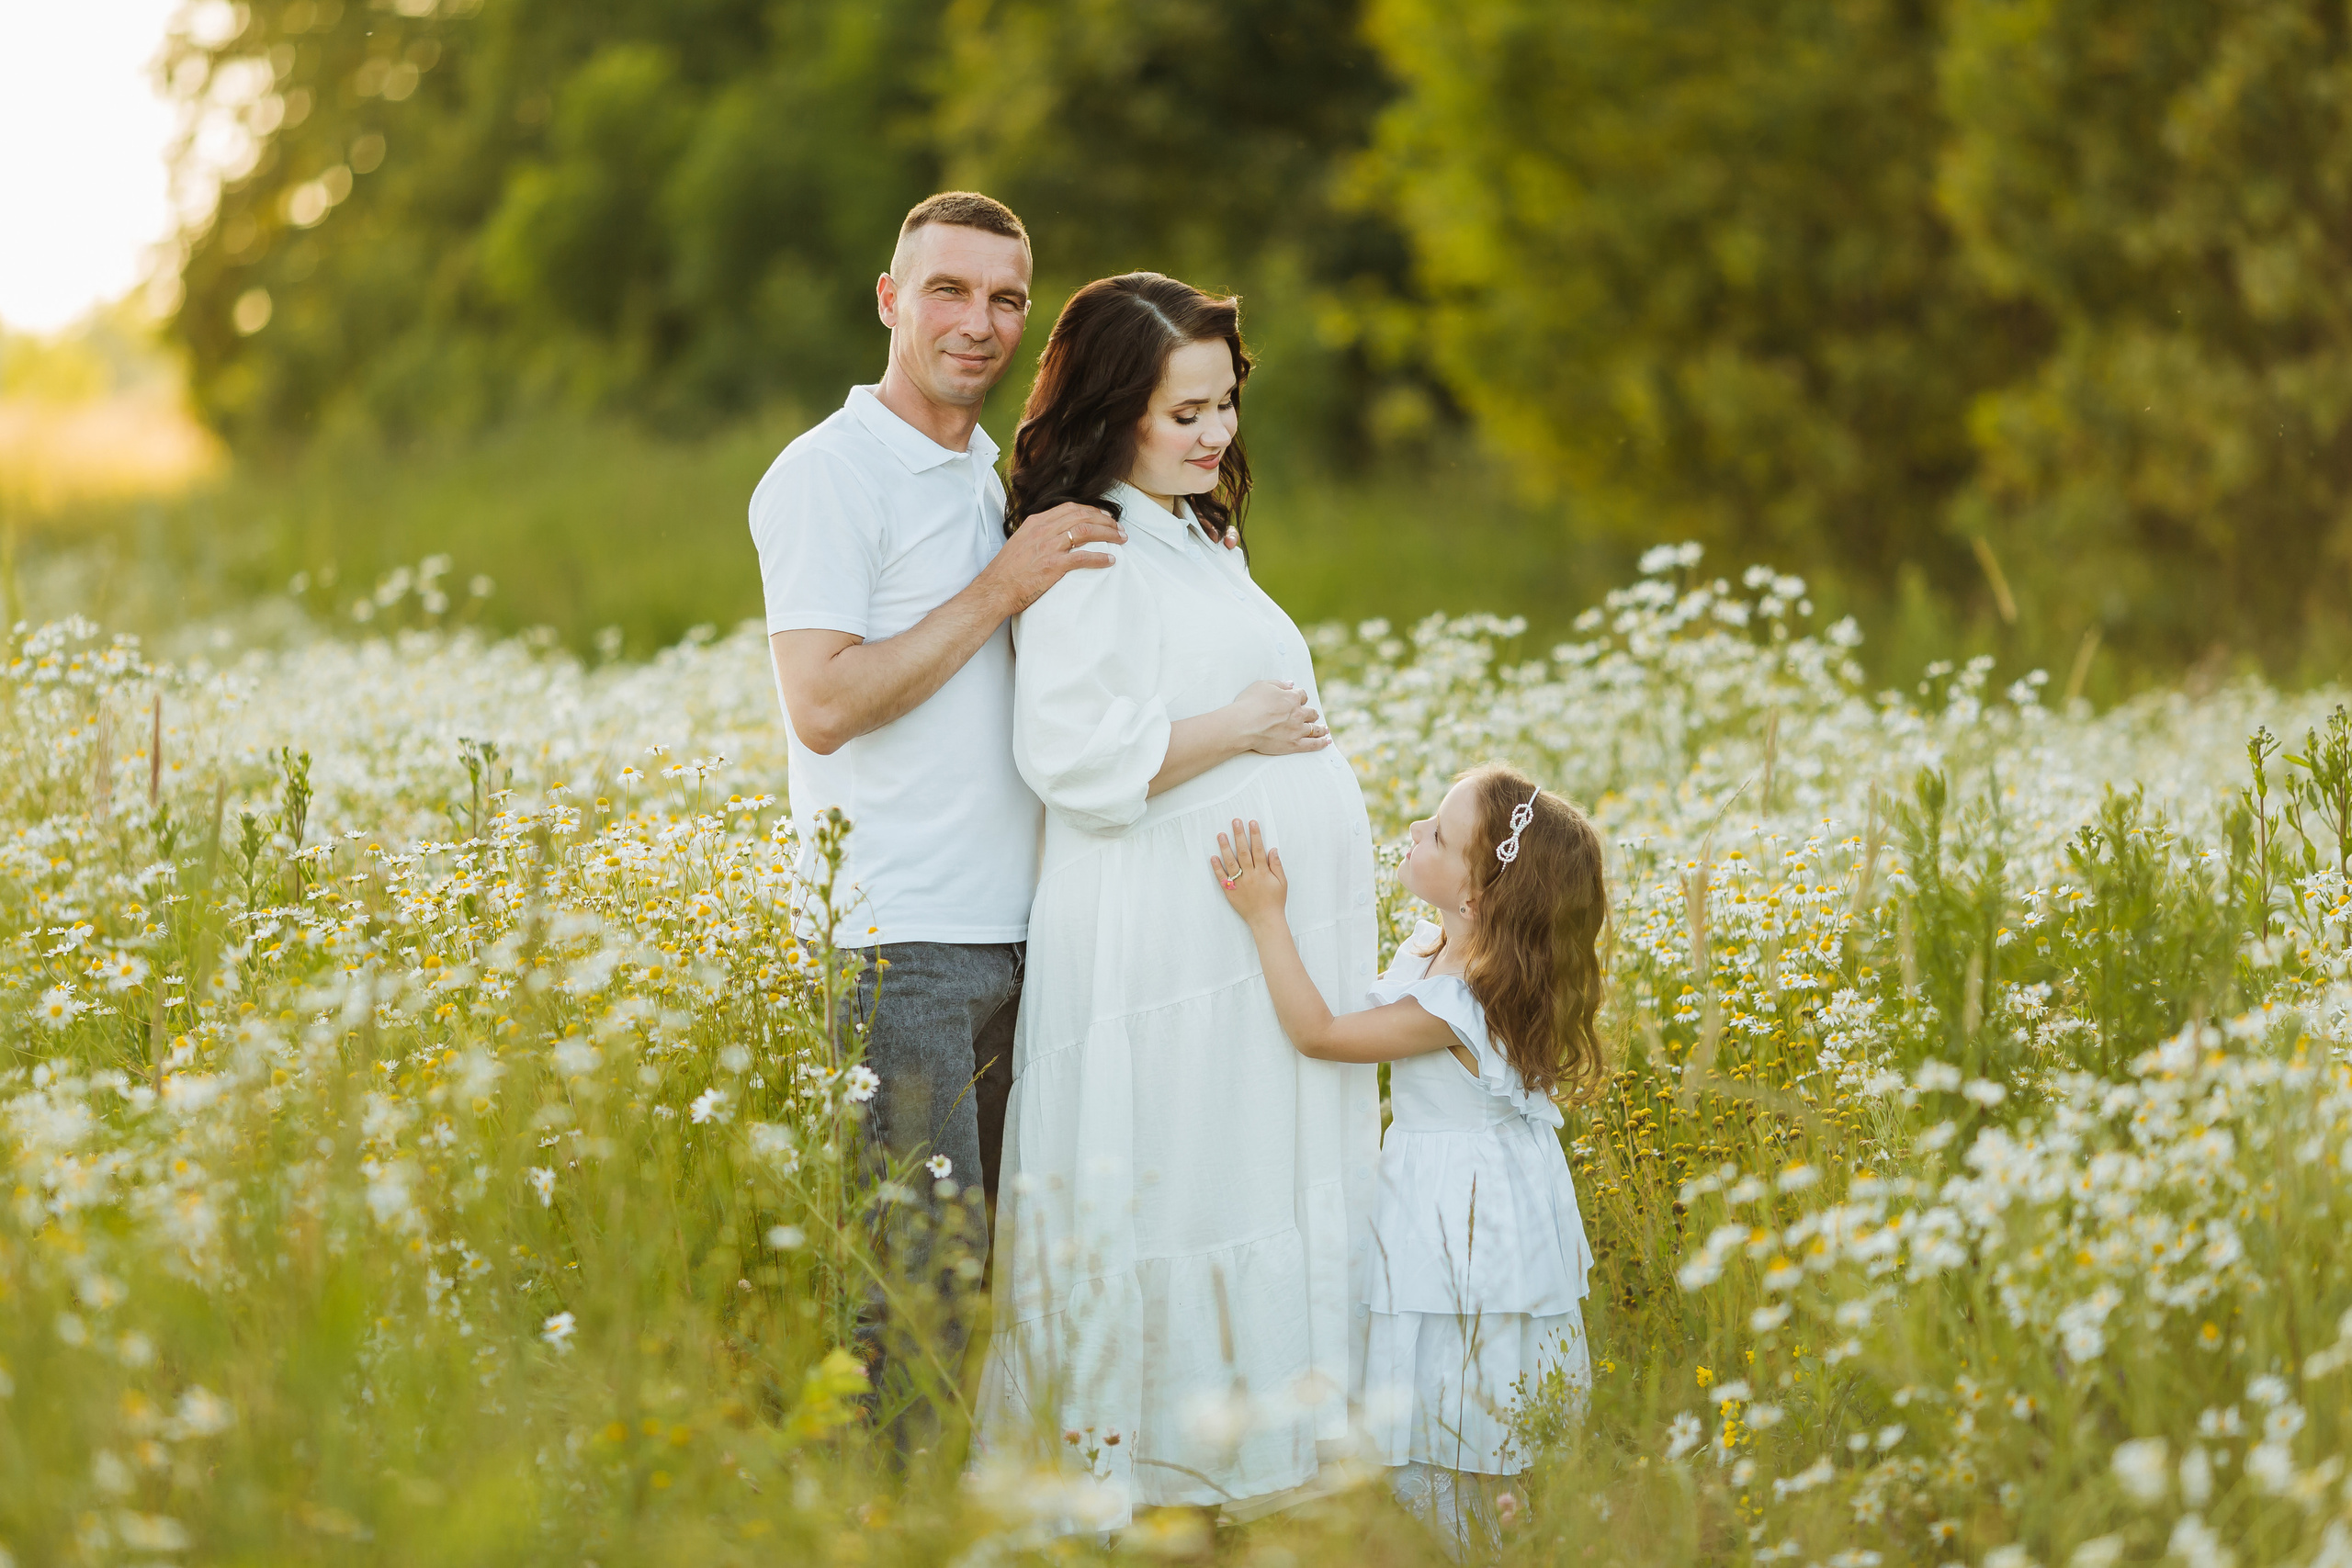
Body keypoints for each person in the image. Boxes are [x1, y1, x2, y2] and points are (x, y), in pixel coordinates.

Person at [978, 274, 1383, 1527]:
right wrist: (1243, 725)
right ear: (1114, 412)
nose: (1214, 436)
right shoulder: (1093, 545)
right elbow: (1074, 754)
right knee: (1180, 1179)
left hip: (1237, 943)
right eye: (1184, 412)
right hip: (1161, 943)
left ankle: (1250, 1466)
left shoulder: (1196, 531)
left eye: (1223, 407)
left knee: (1248, 1177)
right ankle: (1143, 1478)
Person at [746, 192, 1123, 1404]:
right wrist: (1001, 587)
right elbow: (826, 700)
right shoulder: (827, 474)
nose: (979, 321)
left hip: (1028, 934)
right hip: (900, 946)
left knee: (1016, 1285)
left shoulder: (990, 478)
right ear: (889, 299)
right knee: (923, 1293)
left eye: (1007, 298)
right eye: (950, 290)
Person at [1211, 763, 1606, 1562]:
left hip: (1463, 1212)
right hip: (1472, 1188)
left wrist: (1266, 917)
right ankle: (1490, 1517)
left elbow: (1322, 1034)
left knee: (1455, 1385)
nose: (1415, 832)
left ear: (1478, 897)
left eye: (1438, 834)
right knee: (1453, 1378)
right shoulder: (1440, 949)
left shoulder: (1460, 1002)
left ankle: (1481, 1530)